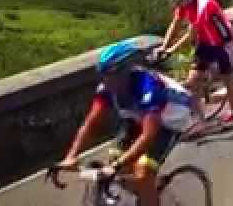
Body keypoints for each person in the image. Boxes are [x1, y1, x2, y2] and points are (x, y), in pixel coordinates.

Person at [56, 39, 196, 206]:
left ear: (125, 72)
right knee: (116, 164)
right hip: (137, 117)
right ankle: (149, 189)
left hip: (169, 121)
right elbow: (91, 124)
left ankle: (147, 188)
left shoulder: (148, 87)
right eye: (103, 75)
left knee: (143, 172)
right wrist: (71, 157)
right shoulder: (107, 89)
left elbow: (148, 135)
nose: (106, 81)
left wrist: (118, 166)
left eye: (111, 75)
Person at [156, 0, 233, 126]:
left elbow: (190, 34)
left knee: (229, 81)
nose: (177, 5)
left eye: (178, 1)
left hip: (223, 43)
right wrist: (164, 46)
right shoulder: (184, 4)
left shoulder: (204, 5)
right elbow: (175, 24)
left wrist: (171, 50)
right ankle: (201, 123)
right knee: (192, 81)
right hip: (206, 42)